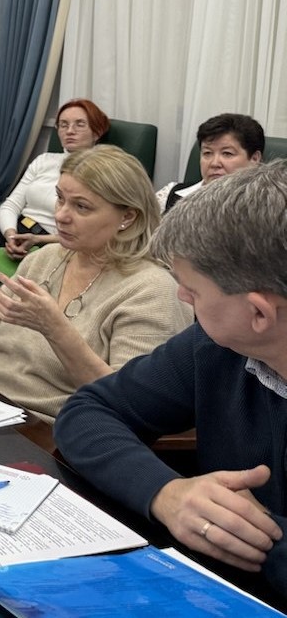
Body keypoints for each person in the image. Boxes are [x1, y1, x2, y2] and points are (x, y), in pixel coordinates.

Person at [55, 160, 287, 595]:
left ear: (258, 312)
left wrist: (249, 537)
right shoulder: (214, 346)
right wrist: (165, 492)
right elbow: (88, 411)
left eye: (192, 291)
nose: (180, 296)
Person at [0, 145, 191, 424]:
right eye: (60, 199)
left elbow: (128, 404)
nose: (60, 215)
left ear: (127, 217)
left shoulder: (152, 290)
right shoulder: (45, 258)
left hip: (42, 429)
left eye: (81, 206)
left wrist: (55, 329)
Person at [0, 98, 109, 260]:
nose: (70, 131)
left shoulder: (102, 171)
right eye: (63, 125)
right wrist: (11, 236)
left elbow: (90, 232)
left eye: (79, 124)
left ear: (97, 132)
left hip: (51, 242)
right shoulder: (44, 160)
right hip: (13, 229)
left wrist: (38, 240)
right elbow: (11, 205)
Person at [154, 112, 264, 213]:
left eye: (227, 153)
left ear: (254, 159)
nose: (214, 163)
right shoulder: (172, 194)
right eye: (207, 153)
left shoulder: (264, 208)